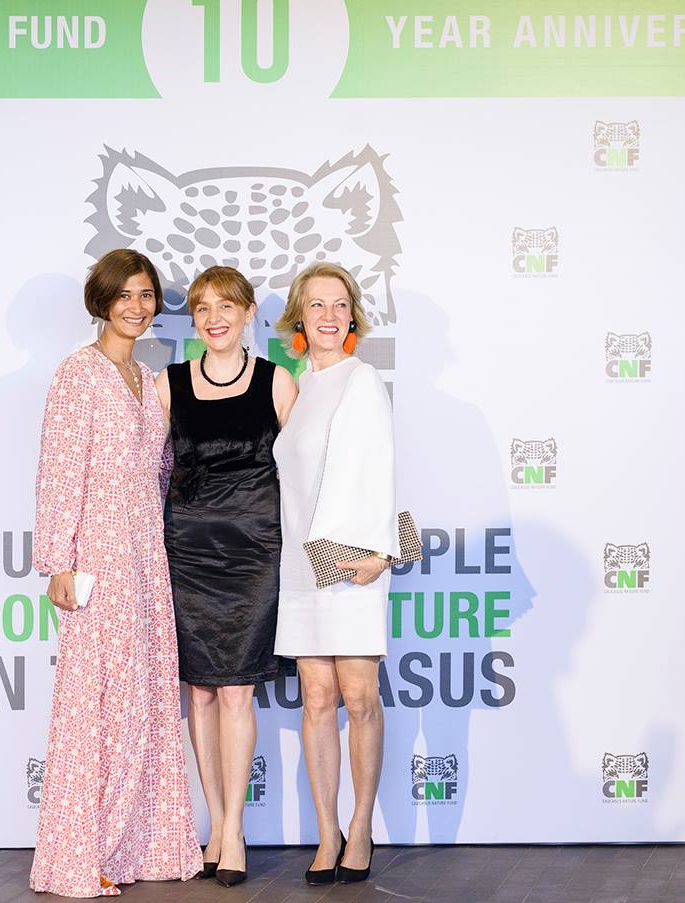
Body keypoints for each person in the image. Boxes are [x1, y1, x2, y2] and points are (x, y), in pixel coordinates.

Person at [29, 249, 202, 898]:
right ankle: (83, 852)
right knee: (96, 702)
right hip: (97, 554)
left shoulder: (149, 378)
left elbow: (160, 472)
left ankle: (139, 844)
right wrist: (58, 560)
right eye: (124, 295)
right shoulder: (79, 373)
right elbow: (59, 469)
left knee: (145, 699)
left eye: (146, 294)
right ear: (101, 301)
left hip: (147, 555)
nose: (137, 306)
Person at [154, 267, 297, 888]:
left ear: (247, 314)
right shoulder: (167, 384)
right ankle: (213, 823)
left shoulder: (277, 381)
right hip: (186, 552)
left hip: (255, 552)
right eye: (202, 308)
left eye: (226, 306)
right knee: (201, 694)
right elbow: (145, 471)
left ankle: (233, 829)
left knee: (237, 690)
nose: (214, 318)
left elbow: (306, 471)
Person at [271, 262, 399, 885]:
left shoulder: (362, 379)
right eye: (317, 304)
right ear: (300, 314)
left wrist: (379, 553)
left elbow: (378, 469)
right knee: (316, 699)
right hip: (302, 564)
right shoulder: (298, 385)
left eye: (340, 304)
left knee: (359, 696)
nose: (328, 315)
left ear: (353, 316)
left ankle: (361, 828)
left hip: (354, 562)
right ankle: (327, 835)